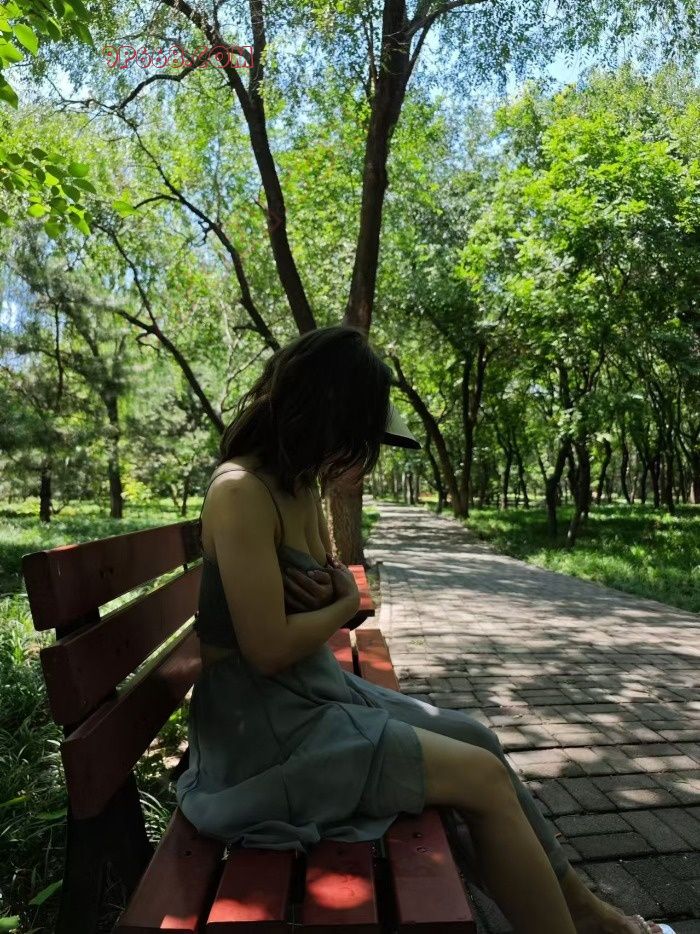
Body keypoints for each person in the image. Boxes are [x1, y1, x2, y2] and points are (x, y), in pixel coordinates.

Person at [175, 324, 673, 934]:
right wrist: (344, 604)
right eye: (357, 439)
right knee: (481, 779)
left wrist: (334, 594)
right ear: (323, 415)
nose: (357, 459)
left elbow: (328, 577)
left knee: (476, 738)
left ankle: (588, 915)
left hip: (310, 697)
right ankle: (589, 926)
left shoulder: (300, 484)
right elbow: (270, 648)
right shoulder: (240, 492)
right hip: (262, 738)